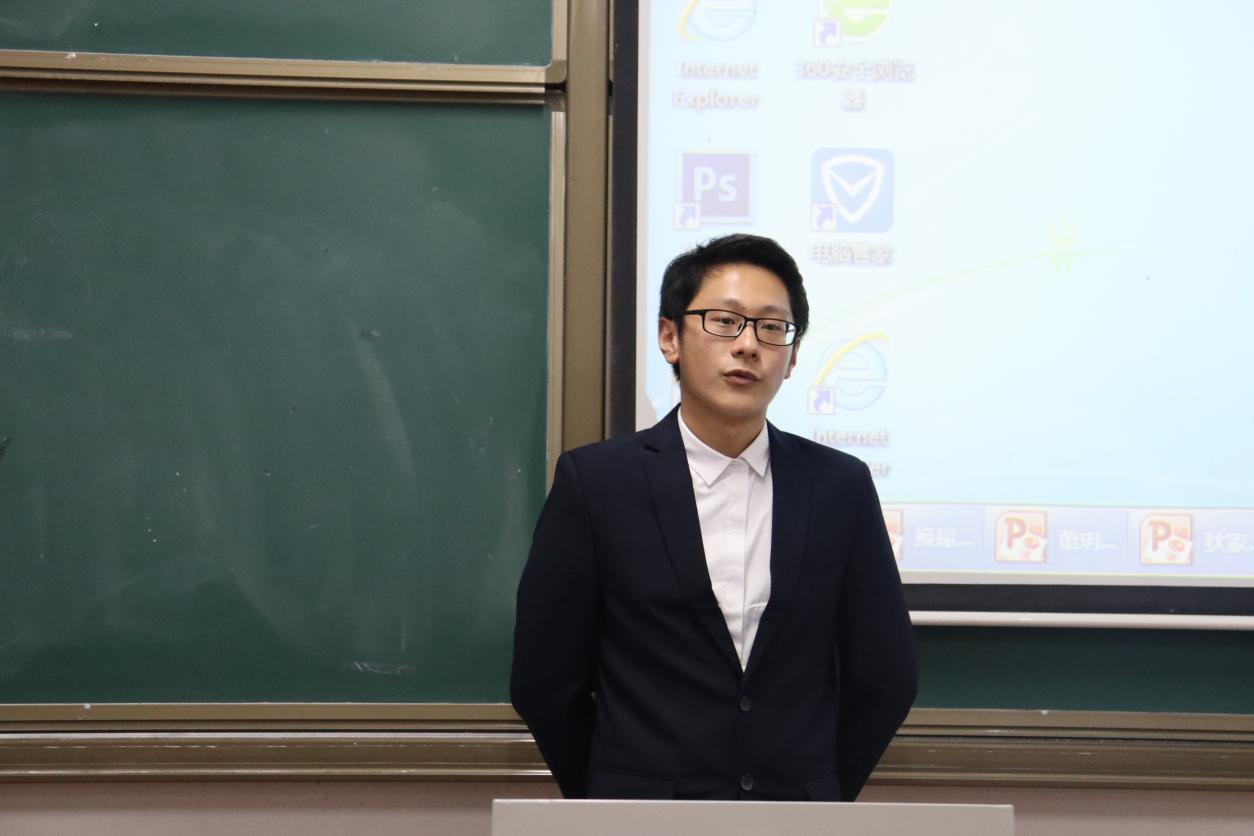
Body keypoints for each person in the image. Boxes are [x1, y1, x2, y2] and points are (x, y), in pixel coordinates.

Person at [511, 233, 916, 802]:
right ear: (669, 337)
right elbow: (544, 680)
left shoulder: (839, 487)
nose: (748, 345)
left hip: (795, 817)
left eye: (772, 327)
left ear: (793, 357)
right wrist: (608, 797)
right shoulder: (597, 484)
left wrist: (819, 793)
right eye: (724, 321)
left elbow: (886, 676)